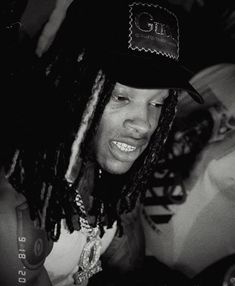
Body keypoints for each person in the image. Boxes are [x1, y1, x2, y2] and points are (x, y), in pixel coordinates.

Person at [0, 0, 203, 285]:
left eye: (158, 103)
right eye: (120, 97)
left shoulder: (115, 181)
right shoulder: (21, 206)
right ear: (73, 86)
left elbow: (128, 268)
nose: (144, 124)